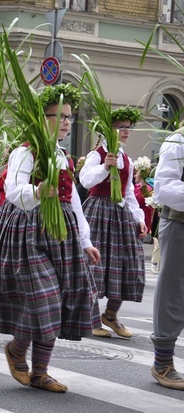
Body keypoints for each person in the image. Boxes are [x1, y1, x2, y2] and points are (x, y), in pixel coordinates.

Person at [0, 84, 100, 393]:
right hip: (30, 232)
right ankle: (17, 348)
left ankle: (41, 372)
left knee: (59, 300)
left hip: (62, 233)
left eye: (69, 117)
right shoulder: (25, 152)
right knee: (44, 299)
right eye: (59, 116)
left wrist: (86, 240)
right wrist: (37, 192)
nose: (65, 122)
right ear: (42, 117)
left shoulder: (63, 155)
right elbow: (12, 190)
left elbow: (73, 200)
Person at [80, 107, 146, 339]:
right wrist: (104, 167)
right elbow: (86, 180)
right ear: (110, 129)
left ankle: (110, 314)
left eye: (129, 127)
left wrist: (139, 218)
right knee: (94, 267)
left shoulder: (126, 158)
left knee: (129, 265)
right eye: (122, 127)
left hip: (120, 214)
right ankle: (91, 318)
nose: (127, 131)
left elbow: (128, 192)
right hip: (98, 211)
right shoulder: (96, 154)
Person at [150, 121, 184, 390]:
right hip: (180, 223)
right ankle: (162, 362)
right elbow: (163, 188)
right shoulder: (178, 140)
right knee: (173, 291)